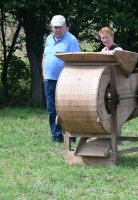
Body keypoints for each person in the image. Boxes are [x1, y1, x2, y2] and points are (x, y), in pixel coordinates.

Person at [42, 15, 80, 143]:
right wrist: (44, 74)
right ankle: (56, 136)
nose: (57, 30)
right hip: (49, 80)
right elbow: (45, 57)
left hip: (65, 81)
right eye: (55, 27)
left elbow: (76, 62)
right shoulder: (48, 38)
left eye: (60, 27)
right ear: (52, 28)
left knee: (68, 109)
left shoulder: (71, 40)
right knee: (52, 109)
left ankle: (72, 136)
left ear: (65, 27)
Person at [98, 27, 123, 145]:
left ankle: (117, 137)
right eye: (102, 38)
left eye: (107, 37)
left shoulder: (118, 50)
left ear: (112, 36)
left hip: (115, 83)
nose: (105, 39)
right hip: (105, 83)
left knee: (114, 110)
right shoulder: (103, 50)